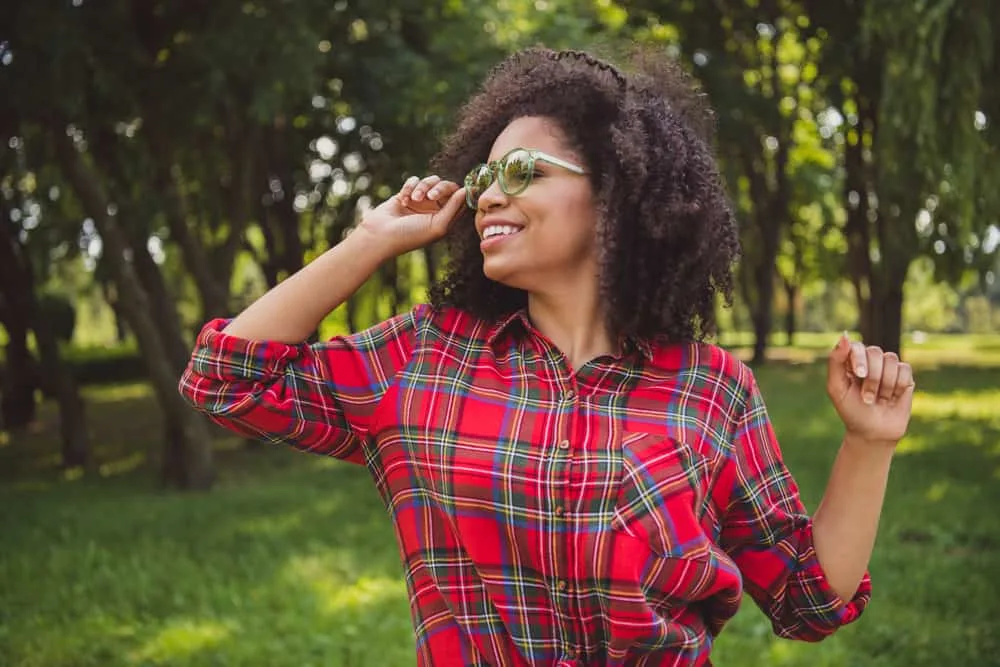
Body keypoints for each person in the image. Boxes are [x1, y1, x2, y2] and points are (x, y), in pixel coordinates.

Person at [179, 47, 915, 667]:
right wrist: (369, 240)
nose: (489, 197)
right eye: (482, 179)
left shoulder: (712, 389)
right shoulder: (425, 355)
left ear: (617, 192)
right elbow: (226, 378)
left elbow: (806, 598)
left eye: (522, 171)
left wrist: (869, 442)